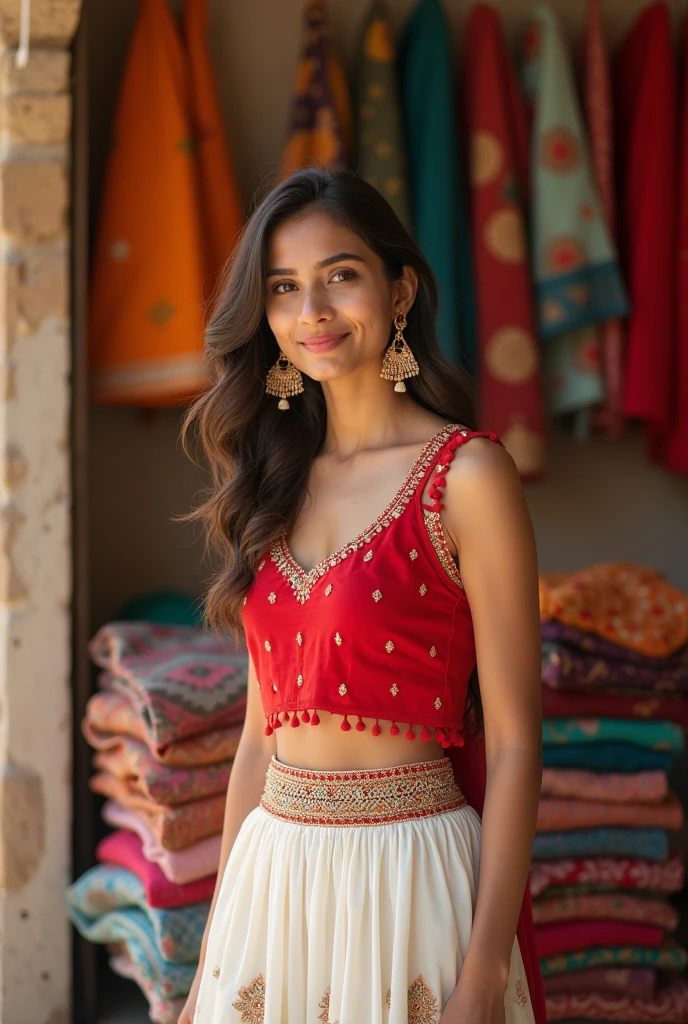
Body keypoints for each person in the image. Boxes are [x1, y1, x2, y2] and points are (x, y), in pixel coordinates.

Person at [177, 169, 544, 1024]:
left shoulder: (468, 477)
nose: (313, 309)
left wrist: (486, 972)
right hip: (273, 881)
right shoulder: (268, 486)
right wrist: (210, 962)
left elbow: (522, 741)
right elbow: (257, 742)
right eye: (283, 287)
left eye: (340, 274)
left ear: (401, 288)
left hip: (411, 880)